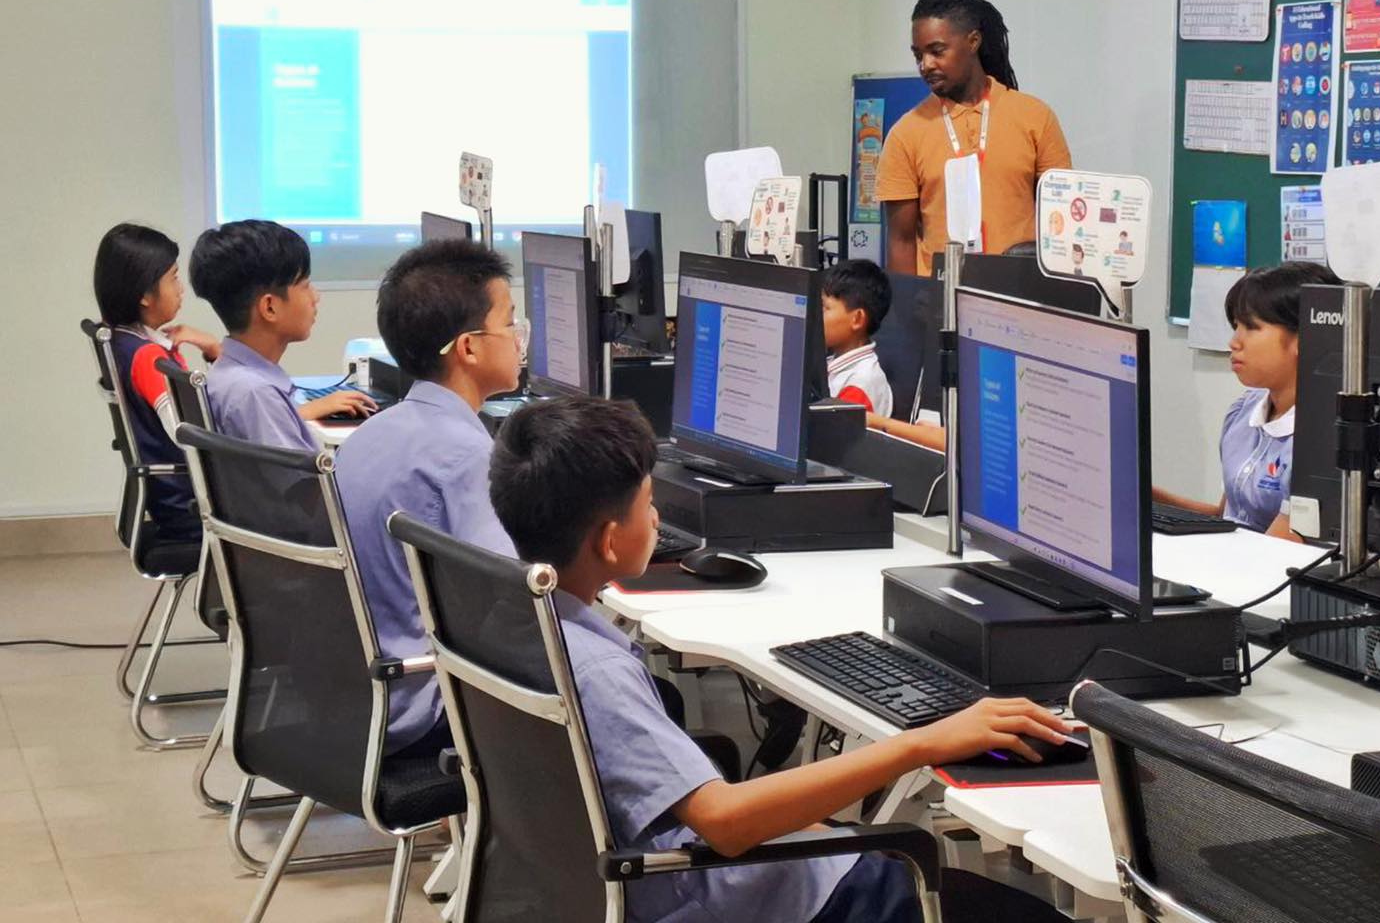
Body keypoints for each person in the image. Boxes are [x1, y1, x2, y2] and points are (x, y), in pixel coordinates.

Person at [490, 395, 1072, 923]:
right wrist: (927, 741)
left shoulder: (507, 623)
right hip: (722, 896)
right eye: (649, 504)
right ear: (611, 541)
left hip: (619, 887)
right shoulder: (598, 672)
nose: (659, 518)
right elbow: (726, 822)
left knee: (863, 839)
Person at [334, 239, 526, 757]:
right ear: (468, 347)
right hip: (425, 708)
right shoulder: (463, 457)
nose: (519, 339)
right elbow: (515, 605)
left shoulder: (372, 435)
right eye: (509, 324)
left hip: (352, 698)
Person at [878, 0, 1071, 276]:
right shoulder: (905, 134)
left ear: (973, 41)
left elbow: (1061, 222)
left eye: (937, 51)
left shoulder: (1034, 117)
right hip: (938, 304)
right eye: (918, 54)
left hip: (1021, 298)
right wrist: (906, 315)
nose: (925, 64)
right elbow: (901, 241)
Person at [1154, 262, 1342, 538]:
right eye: (1235, 326)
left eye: (1251, 327)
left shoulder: (1324, 439)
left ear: (1306, 337)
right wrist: (1141, 493)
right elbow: (1227, 518)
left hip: (1266, 574)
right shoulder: (1244, 411)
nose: (1234, 342)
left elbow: (1274, 552)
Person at [189, 220, 375, 449]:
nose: (316, 297)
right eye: (306, 286)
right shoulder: (256, 394)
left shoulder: (234, 378)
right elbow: (304, 484)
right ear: (269, 307)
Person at [92, 222, 221, 545]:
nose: (181, 289)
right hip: (194, 511)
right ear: (145, 295)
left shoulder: (123, 340)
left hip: (170, 503)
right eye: (173, 278)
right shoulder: (150, 359)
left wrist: (210, 348)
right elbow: (193, 436)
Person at [821, 260, 894, 418]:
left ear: (857, 319)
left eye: (825, 308)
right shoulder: (832, 362)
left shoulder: (860, 384)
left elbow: (834, 440)